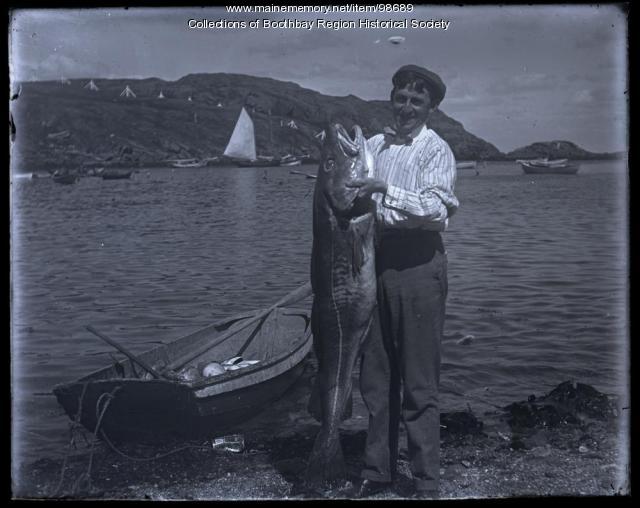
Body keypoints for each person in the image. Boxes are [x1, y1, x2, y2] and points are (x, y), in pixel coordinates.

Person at [346, 64, 459, 499]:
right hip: (373, 263)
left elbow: (438, 210)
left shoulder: (436, 150)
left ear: (430, 107)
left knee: (419, 382)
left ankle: (426, 480)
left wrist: (383, 190)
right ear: (391, 99)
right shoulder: (374, 144)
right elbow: (349, 183)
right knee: (376, 377)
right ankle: (377, 472)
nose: (406, 108)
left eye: (417, 101)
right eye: (401, 98)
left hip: (418, 265)